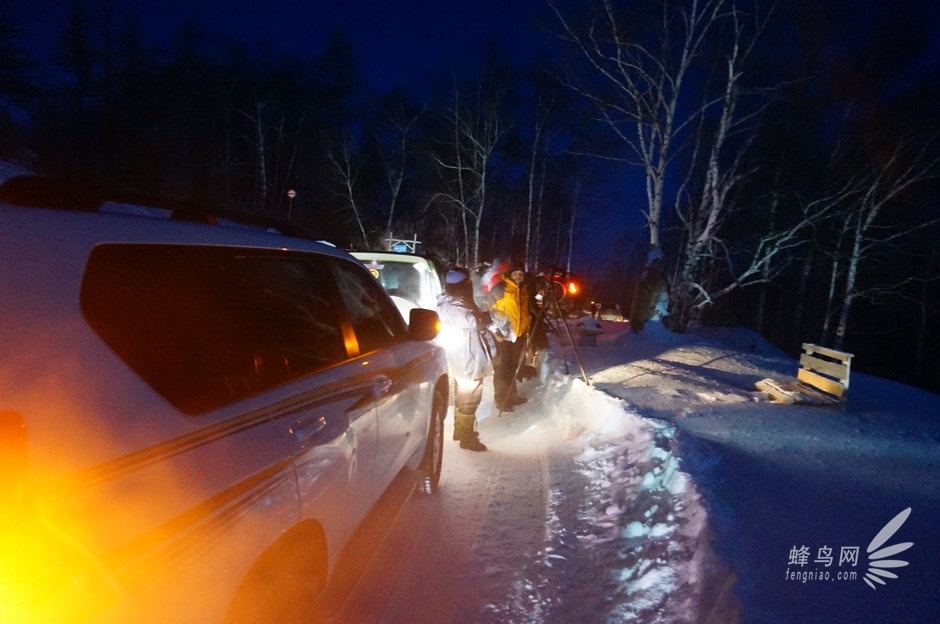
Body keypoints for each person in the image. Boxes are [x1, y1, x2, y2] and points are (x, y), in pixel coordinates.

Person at [437, 267, 511, 451]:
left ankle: (461, 431)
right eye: (468, 283)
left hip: (468, 356)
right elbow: (473, 322)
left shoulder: (456, 301)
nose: (471, 285)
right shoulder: (453, 306)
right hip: (466, 358)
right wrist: (491, 316)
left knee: (466, 395)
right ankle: (466, 437)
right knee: (470, 397)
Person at [489, 262, 533, 412]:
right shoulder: (500, 289)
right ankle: (502, 400)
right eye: (516, 273)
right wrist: (494, 331)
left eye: (522, 273)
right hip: (502, 336)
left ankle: (512, 395)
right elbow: (486, 311)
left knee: (514, 367)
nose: (519, 276)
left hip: (518, 336)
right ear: (510, 274)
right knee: (502, 369)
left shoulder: (524, 291)